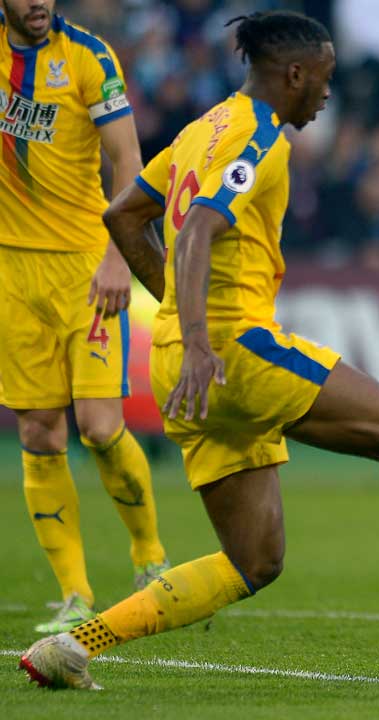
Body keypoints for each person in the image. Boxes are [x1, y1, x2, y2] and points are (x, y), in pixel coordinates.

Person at [20, 11, 379, 691]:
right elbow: (197, 227)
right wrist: (200, 336)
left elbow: (123, 214)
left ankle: (78, 643)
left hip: (179, 358)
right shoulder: (259, 135)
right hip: (230, 349)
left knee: (253, 560)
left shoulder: (203, 127)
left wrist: (177, 320)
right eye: (325, 78)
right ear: (294, 74)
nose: (328, 93)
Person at [0, 0, 170, 633]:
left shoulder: (89, 58)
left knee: (98, 427)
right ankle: (75, 593)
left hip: (83, 267)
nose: (39, 1)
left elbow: (128, 161)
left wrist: (118, 257)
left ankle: (150, 556)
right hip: (13, 273)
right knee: (39, 433)